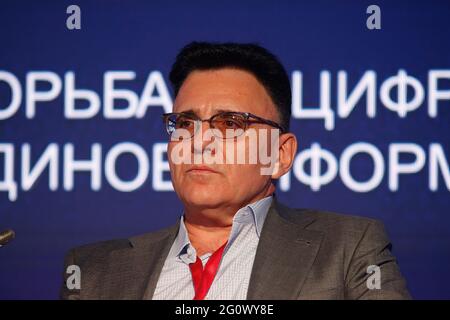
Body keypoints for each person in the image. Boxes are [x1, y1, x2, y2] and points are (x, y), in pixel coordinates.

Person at [61, 42, 411, 300]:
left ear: (280, 154)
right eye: (185, 122)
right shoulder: (93, 273)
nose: (198, 141)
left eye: (230, 123)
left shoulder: (349, 249)